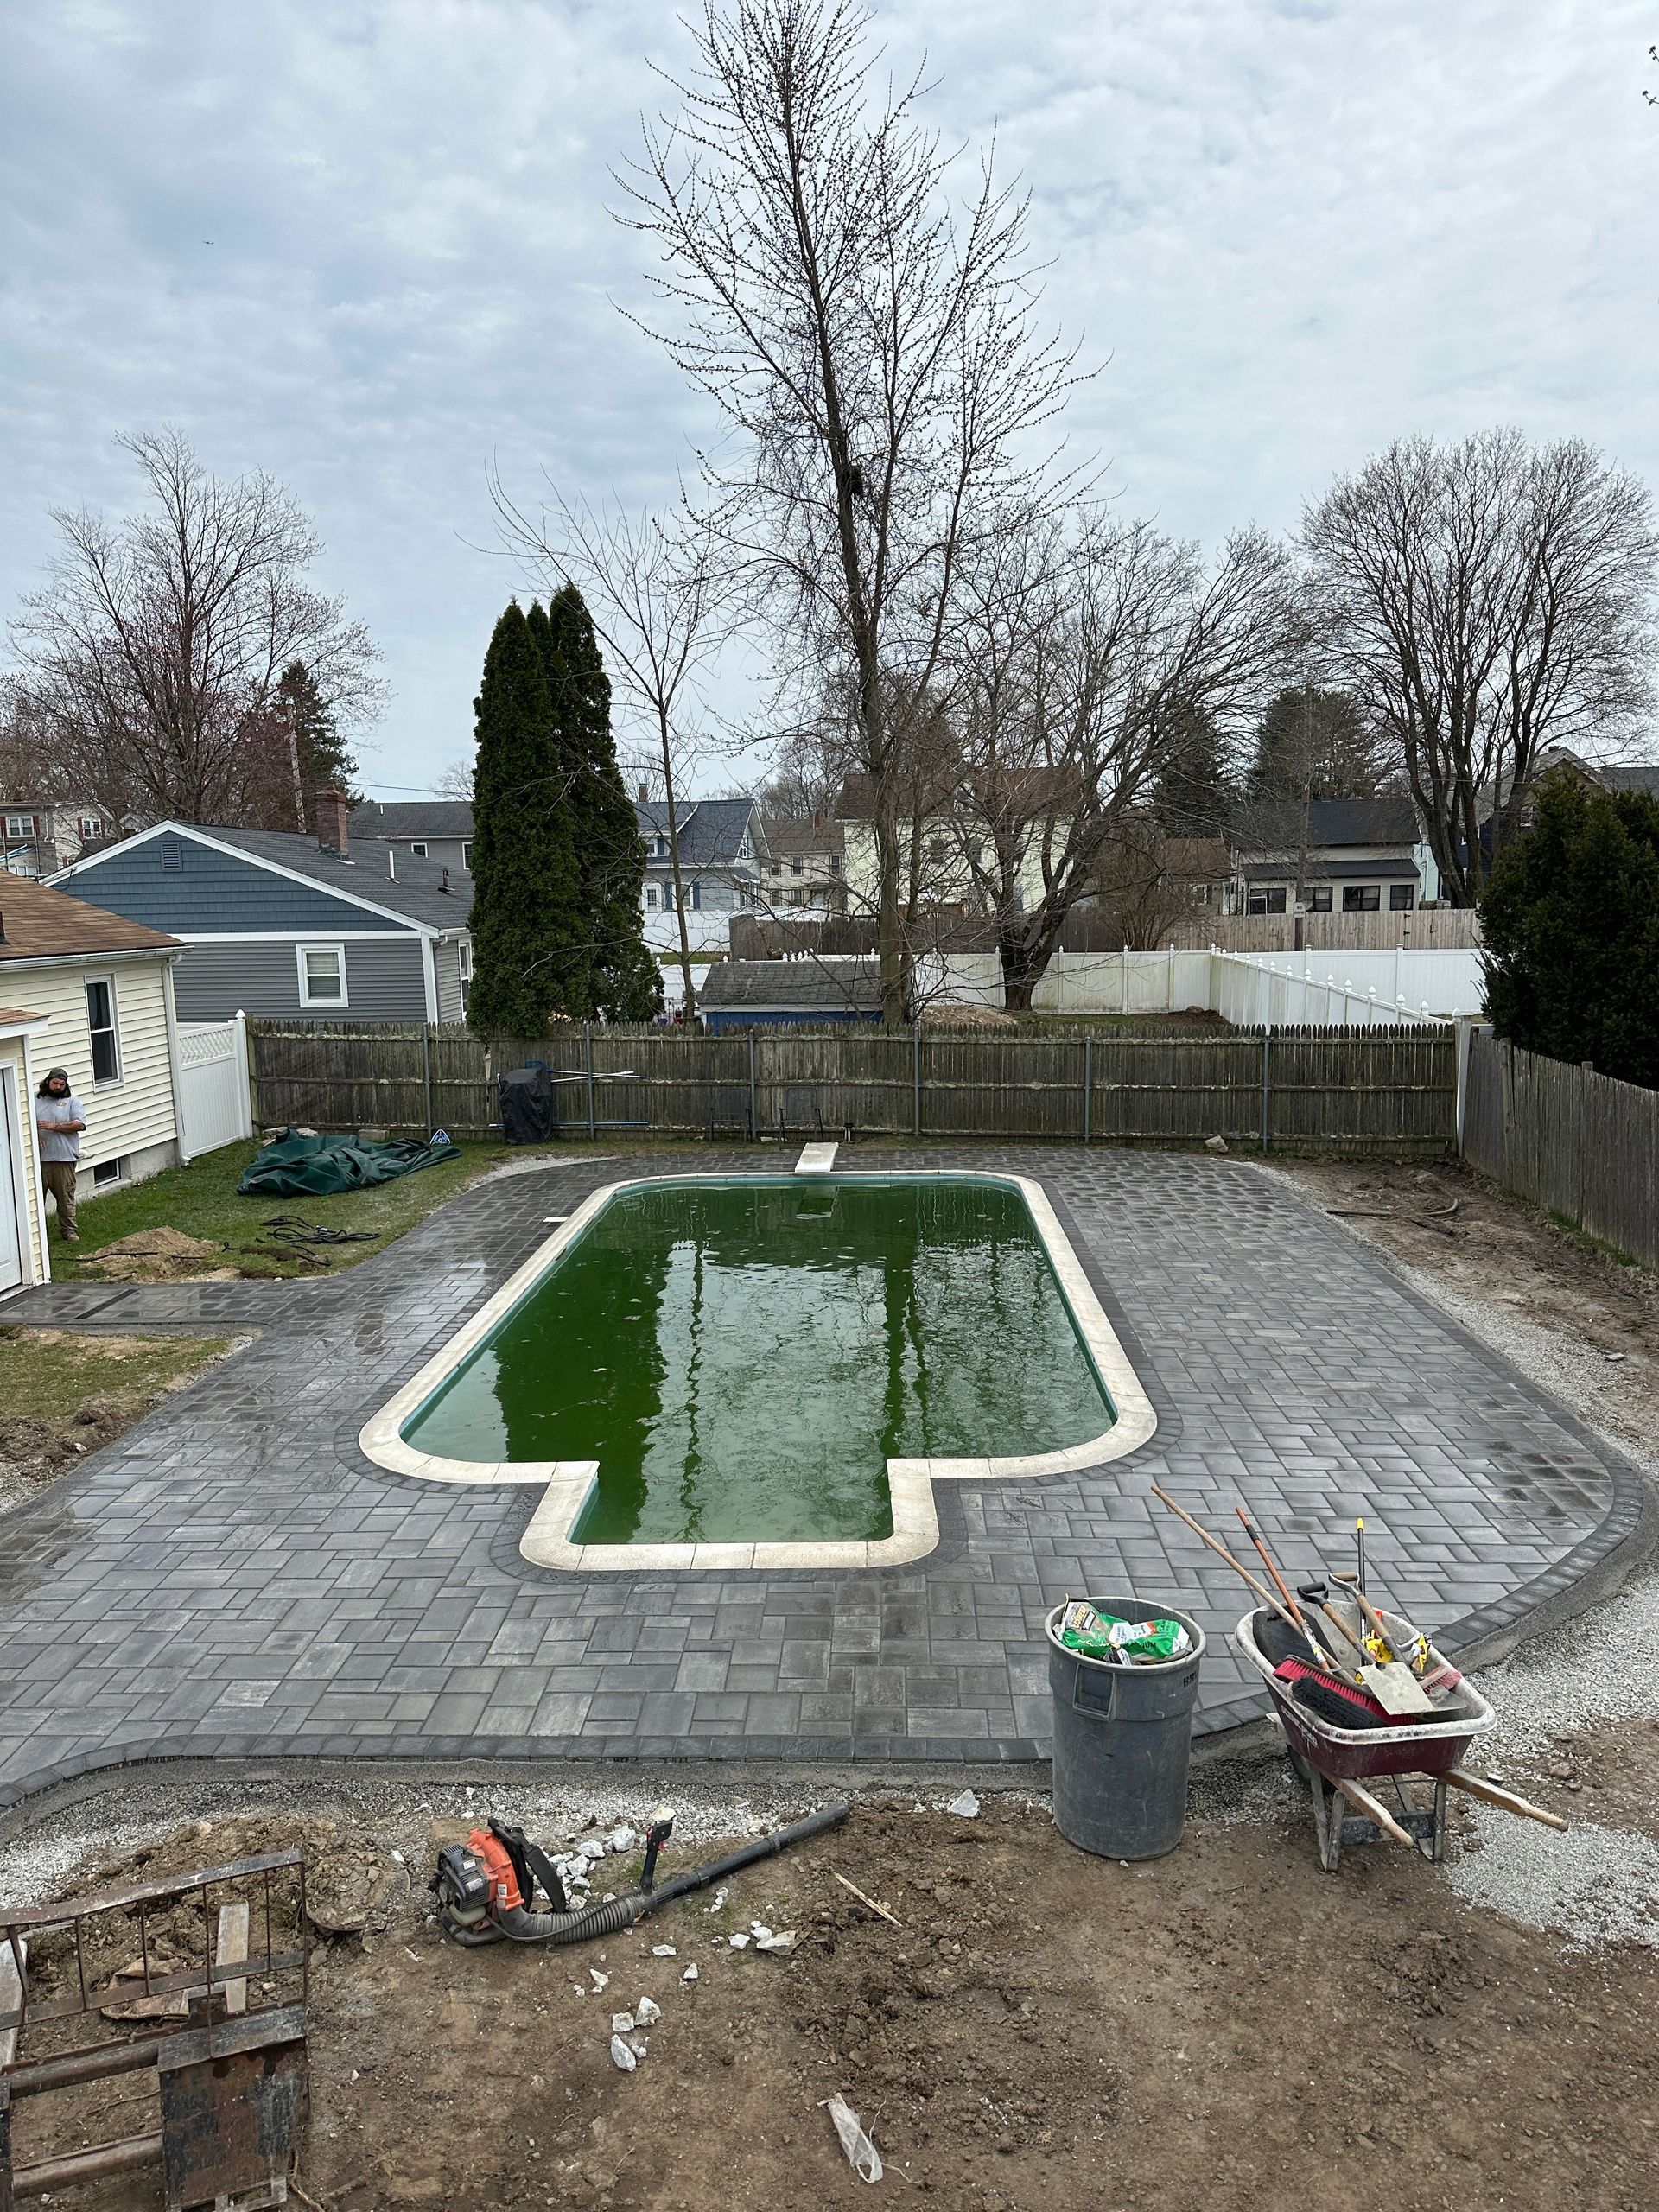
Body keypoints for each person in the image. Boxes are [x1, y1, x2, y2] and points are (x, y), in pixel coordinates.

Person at [35, 1066, 86, 1243]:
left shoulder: (72, 1101)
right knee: (35, 1199)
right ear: (48, 1082)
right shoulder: (34, 1099)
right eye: (55, 1083)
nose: (58, 1087)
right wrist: (34, 1136)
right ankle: (37, 1234)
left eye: (61, 1084)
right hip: (38, 1160)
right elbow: (23, 1121)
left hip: (64, 1158)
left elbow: (79, 1124)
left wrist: (53, 1126)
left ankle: (69, 1231)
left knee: (65, 1198)